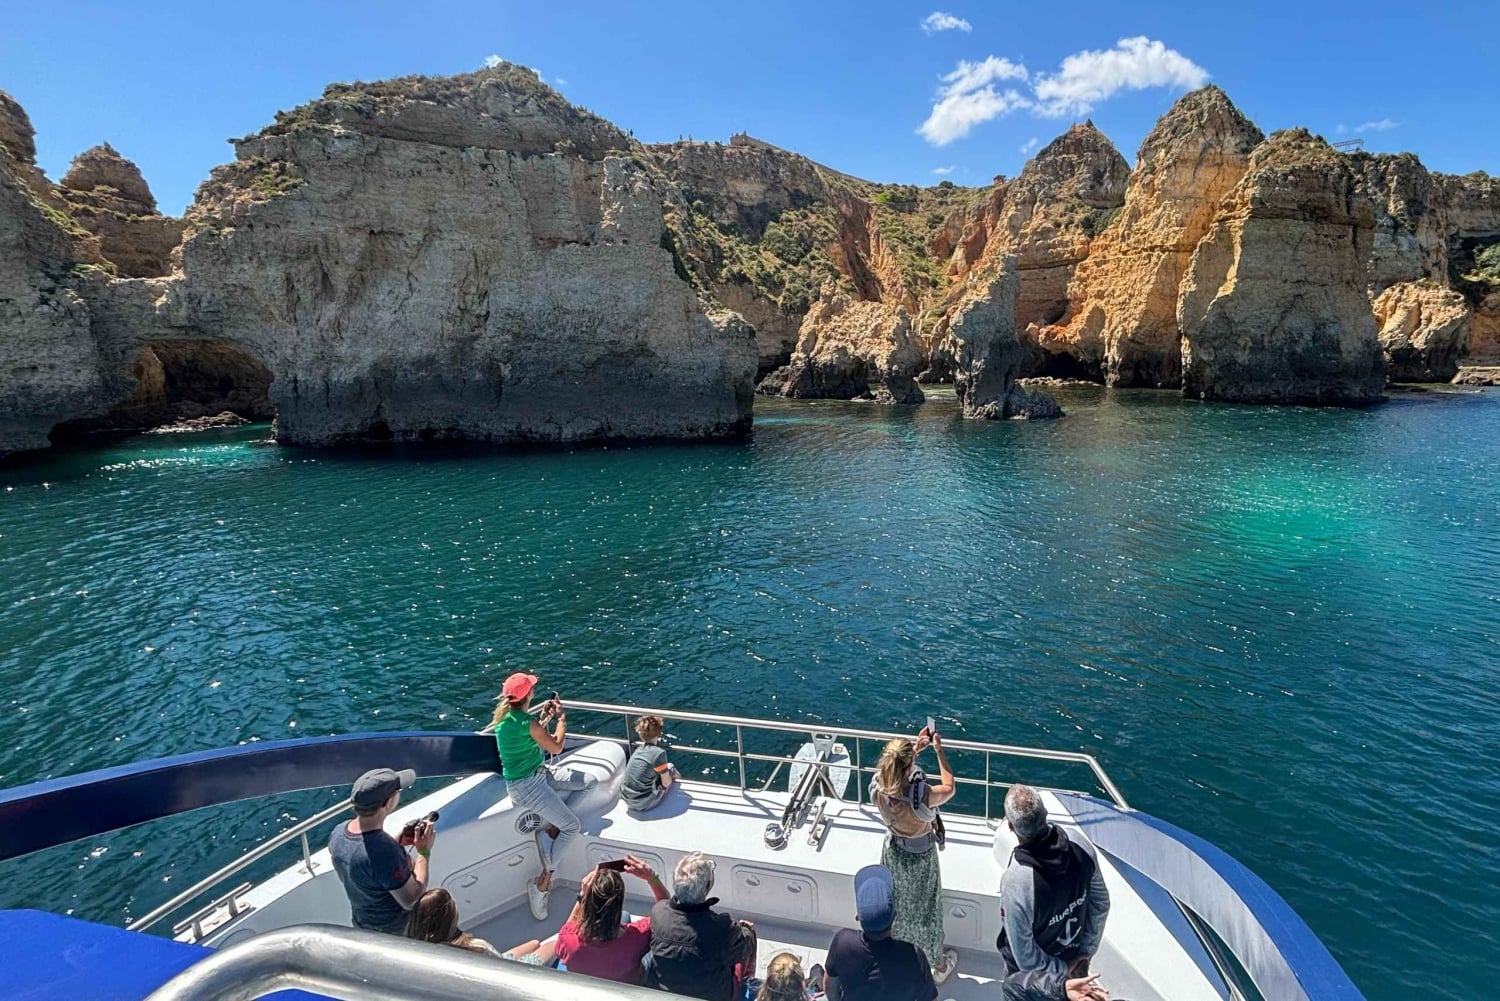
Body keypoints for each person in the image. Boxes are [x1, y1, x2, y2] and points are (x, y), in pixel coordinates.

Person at [488, 671, 595, 921]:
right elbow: (556, 746)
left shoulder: (503, 719)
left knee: (589, 782)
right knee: (572, 826)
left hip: (537, 774)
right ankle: (543, 881)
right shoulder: (528, 723)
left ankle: (552, 826)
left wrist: (543, 720)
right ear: (528, 694)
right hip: (527, 786)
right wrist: (561, 718)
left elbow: (526, 738)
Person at [997, 785, 1112, 1001]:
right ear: (1045, 814)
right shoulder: (1079, 845)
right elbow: (1101, 904)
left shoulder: (1017, 881)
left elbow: (1025, 957)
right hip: (1074, 961)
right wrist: (1084, 954)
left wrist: (1063, 971)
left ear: (1012, 827)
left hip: (1037, 979)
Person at [869, 730, 958, 983]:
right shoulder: (922, 795)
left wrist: (914, 750)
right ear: (909, 765)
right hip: (921, 857)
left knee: (897, 906)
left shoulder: (878, 788)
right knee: (927, 910)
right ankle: (938, 965)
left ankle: (897, 950)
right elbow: (950, 787)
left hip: (894, 852)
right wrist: (939, 750)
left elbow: (892, 772)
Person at [328, 766, 434, 934]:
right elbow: (411, 900)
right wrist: (423, 852)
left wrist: (396, 842)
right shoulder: (384, 852)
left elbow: (366, 864)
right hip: (397, 931)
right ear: (388, 801)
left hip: (364, 923)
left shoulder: (338, 833)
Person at [648, 851, 758, 1001]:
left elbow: (667, 910)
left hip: (663, 993)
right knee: (747, 935)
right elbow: (745, 947)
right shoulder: (721, 928)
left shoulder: (658, 912)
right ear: (708, 885)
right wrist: (745, 930)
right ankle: (746, 982)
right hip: (713, 996)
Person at [824, 865, 936, 1001]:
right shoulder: (914, 956)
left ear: (858, 917)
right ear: (894, 915)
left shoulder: (842, 942)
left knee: (816, 972)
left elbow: (830, 987)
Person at [554, 855, 670, 984]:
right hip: (626, 987)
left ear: (588, 902)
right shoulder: (639, 936)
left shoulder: (568, 939)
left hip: (589, 988)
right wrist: (652, 878)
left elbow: (568, 927)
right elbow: (666, 912)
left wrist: (582, 895)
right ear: (618, 902)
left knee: (624, 915)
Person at [405, 887, 557, 966]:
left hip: (497, 962)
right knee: (553, 944)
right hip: (506, 971)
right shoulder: (475, 947)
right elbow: (503, 970)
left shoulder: (416, 948)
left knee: (534, 943)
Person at [622, 715, 679, 812]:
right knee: (671, 768)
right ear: (659, 733)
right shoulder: (659, 753)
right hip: (643, 803)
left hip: (627, 799)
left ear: (641, 734)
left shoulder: (638, 750)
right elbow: (666, 783)